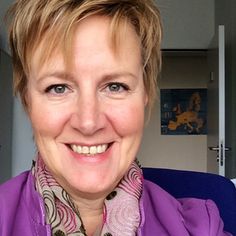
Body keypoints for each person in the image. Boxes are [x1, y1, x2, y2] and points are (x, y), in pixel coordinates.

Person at [0, 0, 231, 235]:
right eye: (58, 88)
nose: (88, 122)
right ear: (27, 100)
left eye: (115, 86)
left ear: (146, 95)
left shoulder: (202, 227)